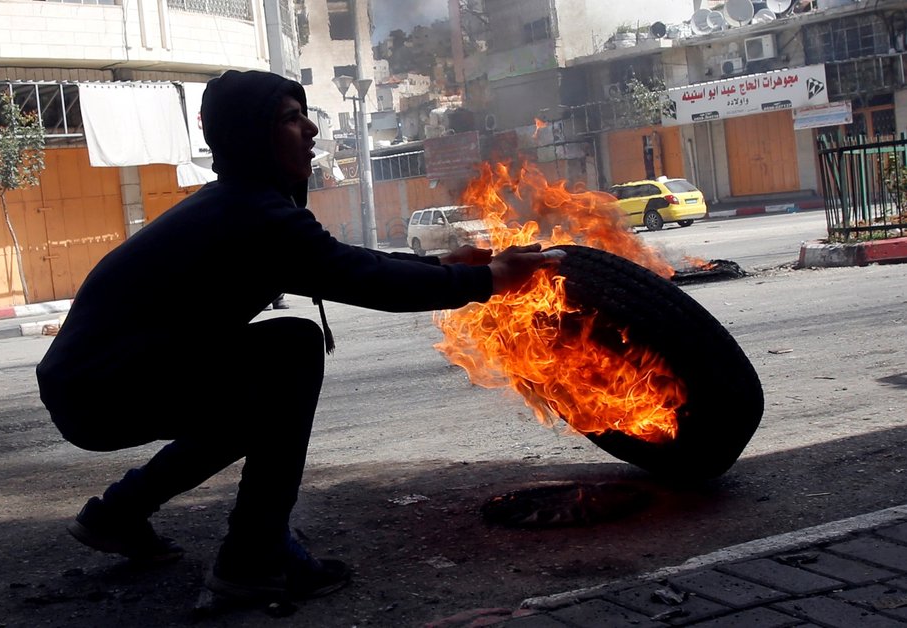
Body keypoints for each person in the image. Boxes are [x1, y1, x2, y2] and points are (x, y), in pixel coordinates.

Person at [35, 69, 555, 603]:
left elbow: (338, 262)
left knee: (250, 408)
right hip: (104, 388)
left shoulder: (240, 205)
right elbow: (359, 277)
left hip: (93, 386)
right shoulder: (252, 213)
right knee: (293, 349)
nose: (309, 129)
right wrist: (485, 280)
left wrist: (441, 264)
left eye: (304, 114)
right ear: (251, 135)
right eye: (290, 118)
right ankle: (253, 556)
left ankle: (117, 514)